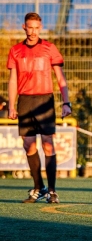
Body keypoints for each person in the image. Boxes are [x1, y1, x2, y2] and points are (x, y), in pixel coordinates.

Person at [7, 12, 71, 204]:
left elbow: (60, 78)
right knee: (29, 145)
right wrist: (12, 105)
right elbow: (13, 80)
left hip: (45, 100)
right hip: (25, 101)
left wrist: (66, 102)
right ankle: (38, 187)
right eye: (30, 27)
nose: (33, 31)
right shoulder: (15, 50)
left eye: (36, 27)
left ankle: (52, 191)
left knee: (48, 143)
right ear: (24, 27)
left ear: (40, 28)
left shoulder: (50, 49)